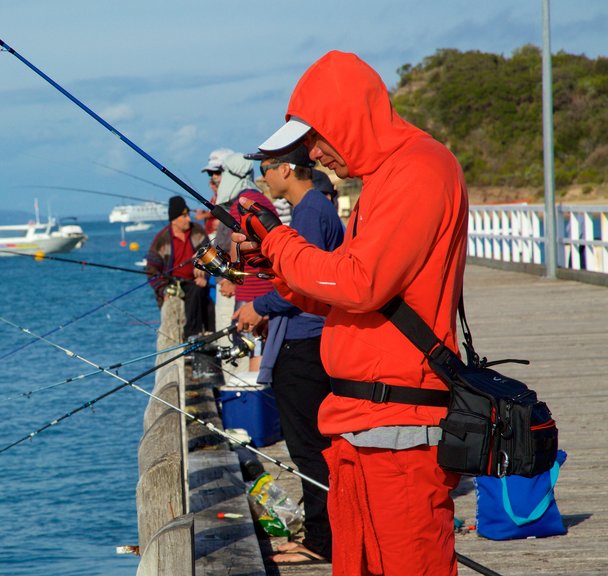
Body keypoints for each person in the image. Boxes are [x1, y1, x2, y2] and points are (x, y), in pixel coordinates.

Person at [234, 51, 469, 576]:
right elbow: (356, 294)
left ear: (350, 120)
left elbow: (358, 284)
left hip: (398, 429)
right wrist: (276, 263)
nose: (314, 156)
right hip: (363, 427)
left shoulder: (419, 169)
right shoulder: (386, 178)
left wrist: (278, 239)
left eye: (316, 139)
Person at [233, 145, 344, 564]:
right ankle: (322, 534)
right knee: (308, 445)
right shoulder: (310, 210)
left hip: (307, 345)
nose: (262, 178)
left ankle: (322, 542)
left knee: (309, 447)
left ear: (286, 169)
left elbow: (307, 280)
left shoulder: (310, 212)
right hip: (303, 338)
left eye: (265, 169)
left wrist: (258, 308)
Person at [212, 153, 277, 372]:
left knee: (253, 352)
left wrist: (230, 279)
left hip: (251, 293)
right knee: (263, 349)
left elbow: (236, 246)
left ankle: (255, 401)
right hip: (267, 288)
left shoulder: (239, 204)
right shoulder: (263, 201)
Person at [145, 196, 213, 338]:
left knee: (199, 293)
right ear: (174, 219)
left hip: (196, 282)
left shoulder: (197, 231)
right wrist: (163, 290)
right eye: (184, 216)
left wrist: (204, 272)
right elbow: (151, 271)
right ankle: (190, 336)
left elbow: (211, 255)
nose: (188, 219)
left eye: (188, 214)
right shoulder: (161, 239)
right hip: (173, 284)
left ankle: (197, 336)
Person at [194, 147, 234, 237]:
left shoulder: (237, 194)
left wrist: (205, 216)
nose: (214, 177)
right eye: (210, 173)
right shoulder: (217, 195)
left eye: (217, 172)